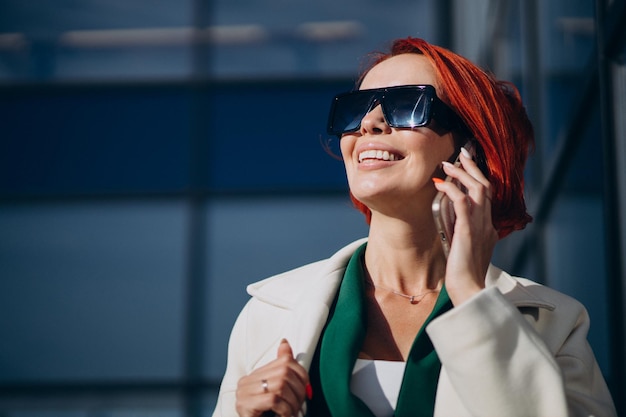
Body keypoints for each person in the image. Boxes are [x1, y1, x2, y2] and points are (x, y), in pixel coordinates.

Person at [212, 37, 617, 417]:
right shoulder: (269, 314)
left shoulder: (554, 324)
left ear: (470, 149)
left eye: (406, 106)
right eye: (357, 108)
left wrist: (472, 297)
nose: (369, 123)